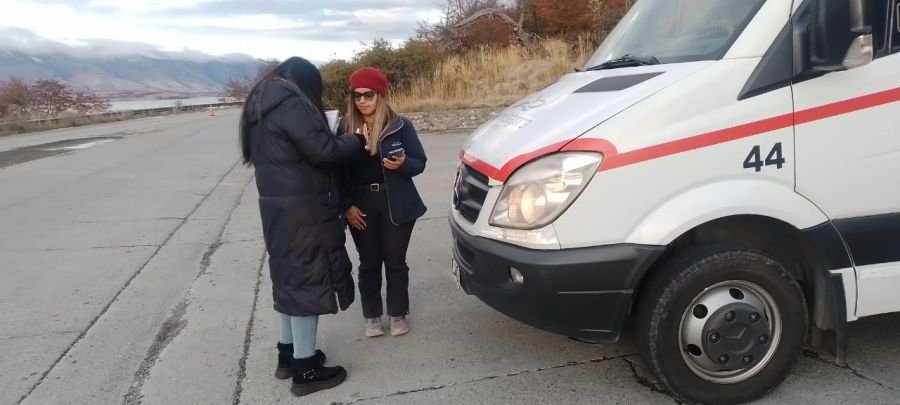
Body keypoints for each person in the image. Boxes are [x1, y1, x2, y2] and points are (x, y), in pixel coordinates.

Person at [238, 56, 366, 397]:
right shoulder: (292, 103)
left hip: (279, 212)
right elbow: (324, 151)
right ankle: (306, 369)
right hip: (305, 213)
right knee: (309, 283)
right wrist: (355, 141)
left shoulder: (261, 104)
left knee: (290, 282)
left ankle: (288, 354)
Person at [338, 67, 427, 338]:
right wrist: (346, 206)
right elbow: (336, 172)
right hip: (360, 203)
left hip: (395, 200)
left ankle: (397, 313)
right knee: (369, 262)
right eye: (357, 96)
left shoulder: (400, 125)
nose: (362, 101)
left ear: (381, 95)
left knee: (395, 261)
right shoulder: (344, 128)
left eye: (369, 95)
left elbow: (419, 163)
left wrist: (404, 164)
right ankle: (372, 316)